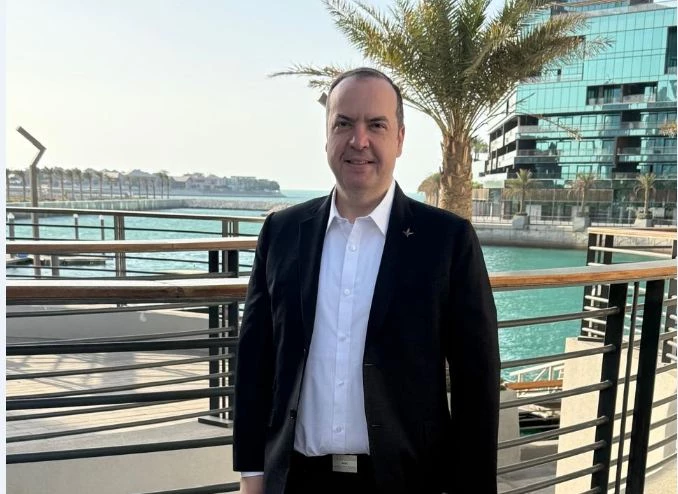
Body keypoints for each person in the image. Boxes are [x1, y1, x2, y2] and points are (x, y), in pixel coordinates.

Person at [233, 67, 499, 494]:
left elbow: (476, 381)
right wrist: (251, 474)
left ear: (400, 139)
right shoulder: (281, 232)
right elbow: (255, 362)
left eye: (376, 125)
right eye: (344, 124)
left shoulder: (447, 241)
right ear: (326, 137)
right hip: (296, 480)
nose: (359, 140)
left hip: (407, 481)